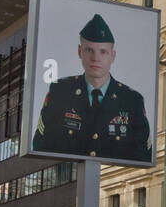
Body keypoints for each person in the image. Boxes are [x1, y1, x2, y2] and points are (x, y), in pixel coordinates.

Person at [31, 13, 151, 161]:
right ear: (79, 51)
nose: (96, 58)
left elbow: (143, 154)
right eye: (89, 50)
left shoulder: (132, 100)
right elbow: (41, 145)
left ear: (112, 56)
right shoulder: (60, 92)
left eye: (103, 51)